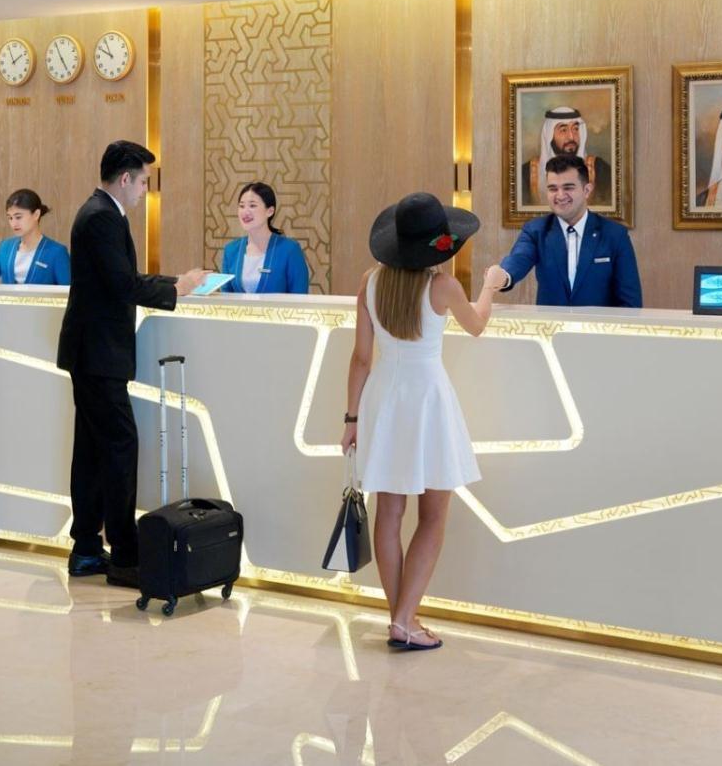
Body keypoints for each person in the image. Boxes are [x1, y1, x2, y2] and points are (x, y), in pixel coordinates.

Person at [341, 192, 509, 651]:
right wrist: (490, 287)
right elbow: (477, 325)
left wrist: (351, 418)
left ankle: (401, 618)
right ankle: (404, 621)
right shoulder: (444, 286)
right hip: (428, 401)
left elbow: (360, 358)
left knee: (389, 513)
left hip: (383, 400)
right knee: (433, 515)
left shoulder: (370, 283)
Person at [57, 140, 208, 588]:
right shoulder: (101, 217)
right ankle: (124, 553)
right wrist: (176, 289)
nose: (145, 190)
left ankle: (87, 548)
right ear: (125, 178)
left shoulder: (101, 213)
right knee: (119, 447)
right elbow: (122, 285)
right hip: (97, 353)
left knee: (93, 451)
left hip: (94, 353)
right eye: (143, 181)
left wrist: (175, 283)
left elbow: (121, 279)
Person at [498, 154, 642, 308]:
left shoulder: (615, 235)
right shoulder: (536, 231)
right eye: (553, 189)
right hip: (552, 323)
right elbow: (519, 258)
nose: (560, 196)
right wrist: (503, 276)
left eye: (568, 188)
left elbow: (631, 302)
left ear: (587, 190)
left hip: (598, 324)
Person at [0, 188, 71, 286]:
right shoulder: (5, 247)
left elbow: (69, 290)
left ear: (36, 214)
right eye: (10, 218)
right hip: (8, 305)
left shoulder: (57, 252)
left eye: (18, 217)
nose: (13, 223)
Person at [220, 181, 310, 294]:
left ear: (270, 211)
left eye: (252, 206)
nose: (245, 212)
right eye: (241, 206)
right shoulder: (231, 250)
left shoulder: (290, 249)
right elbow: (225, 296)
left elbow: (300, 295)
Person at [521, 106, 613, 206]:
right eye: (563, 130)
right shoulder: (527, 173)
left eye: (575, 129)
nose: (571, 137)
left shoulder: (599, 170)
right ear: (549, 135)